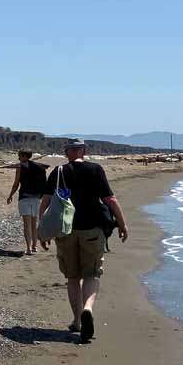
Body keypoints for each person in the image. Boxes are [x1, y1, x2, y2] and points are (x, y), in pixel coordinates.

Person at [39, 140, 128, 342]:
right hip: (92, 230)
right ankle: (87, 308)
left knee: (72, 277)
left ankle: (78, 321)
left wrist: (41, 230)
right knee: (91, 274)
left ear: (67, 153)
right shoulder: (95, 169)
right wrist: (122, 224)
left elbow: (45, 201)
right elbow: (110, 199)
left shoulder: (58, 171)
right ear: (84, 151)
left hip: (65, 230)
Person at [6, 150, 48, 255]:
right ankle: (34, 246)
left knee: (27, 225)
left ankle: (28, 248)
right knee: (34, 223)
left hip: (24, 197)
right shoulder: (40, 167)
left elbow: (16, 184)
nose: (18, 158)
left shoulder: (20, 168)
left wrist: (10, 195)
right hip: (37, 198)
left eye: (19, 156)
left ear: (25, 156)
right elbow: (44, 183)